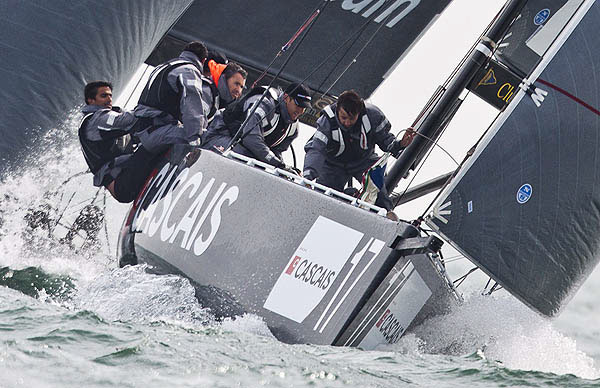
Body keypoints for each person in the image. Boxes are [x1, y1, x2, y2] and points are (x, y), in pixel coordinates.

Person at [303, 90, 415, 211]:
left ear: (359, 112)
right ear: (337, 110)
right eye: (343, 117)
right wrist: (308, 175)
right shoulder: (327, 121)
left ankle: (386, 215)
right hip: (332, 164)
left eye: (352, 118)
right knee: (321, 197)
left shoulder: (373, 116)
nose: (347, 122)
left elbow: (386, 142)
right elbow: (317, 149)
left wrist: (400, 144)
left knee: (379, 194)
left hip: (363, 162)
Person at [79, 81, 160, 203]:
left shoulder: (114, 113)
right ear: (91, 100)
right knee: (157, 139)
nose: (109, 99)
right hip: (122, 185)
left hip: (127, 176)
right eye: (104, 96)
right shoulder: (96, 119)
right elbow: (125, 121)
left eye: (110, 95)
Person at [202, 82, 312, 169]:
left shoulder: (293, 129)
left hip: (246, 148)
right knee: (244, 160)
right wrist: (275, 162)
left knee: (261, 169)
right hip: (220, 134)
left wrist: (284, 169)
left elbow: (276, 151)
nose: (301, 111)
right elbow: (251, 138)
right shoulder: (265, 104)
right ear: (287, 98)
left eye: (304, 108)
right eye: (298, 105)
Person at [134, 41, 209, 152]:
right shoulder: (189, 71)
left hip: (141, 127)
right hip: (157, 131)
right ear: (203, 61)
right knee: (207, 138)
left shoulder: (164, 66)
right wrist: (195, 138)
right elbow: (192, 105)